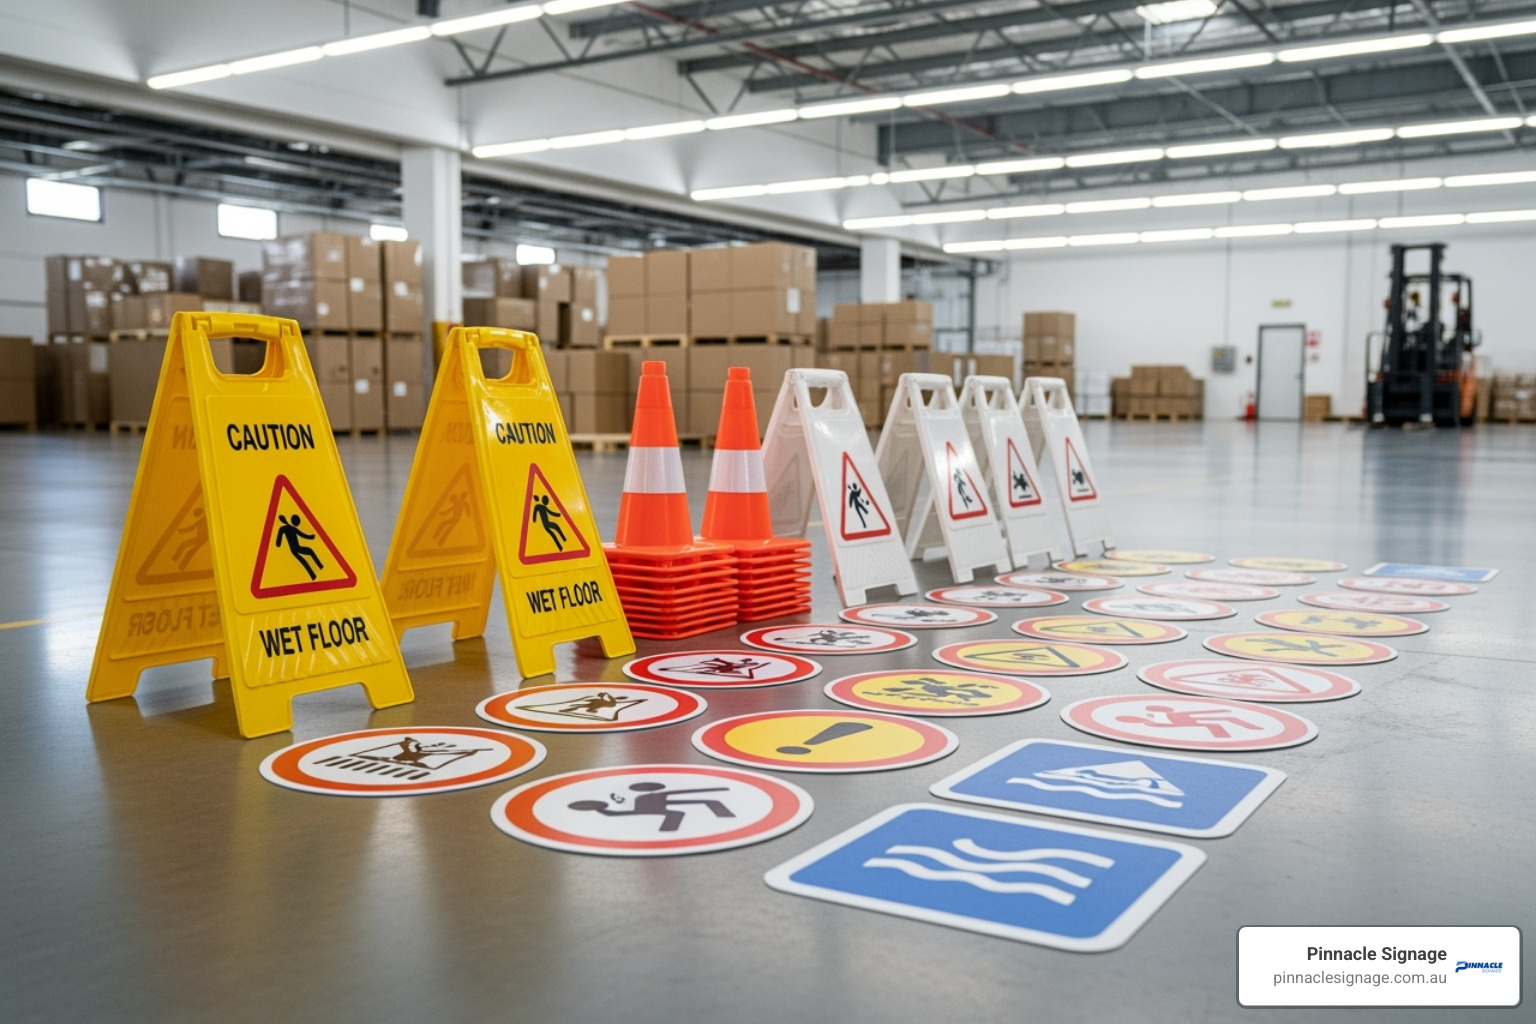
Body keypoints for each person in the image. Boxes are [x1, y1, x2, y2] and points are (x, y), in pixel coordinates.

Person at [275, 513, 323, 580]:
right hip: (296, 548)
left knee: (305, 559)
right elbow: (278, 542)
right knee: (308, 553)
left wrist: (311, 537)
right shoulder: (285, 528)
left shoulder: (286, 528)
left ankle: (314, 574)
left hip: (294, 549)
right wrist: (311, 537)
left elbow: (302, 534)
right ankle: (319, 567)